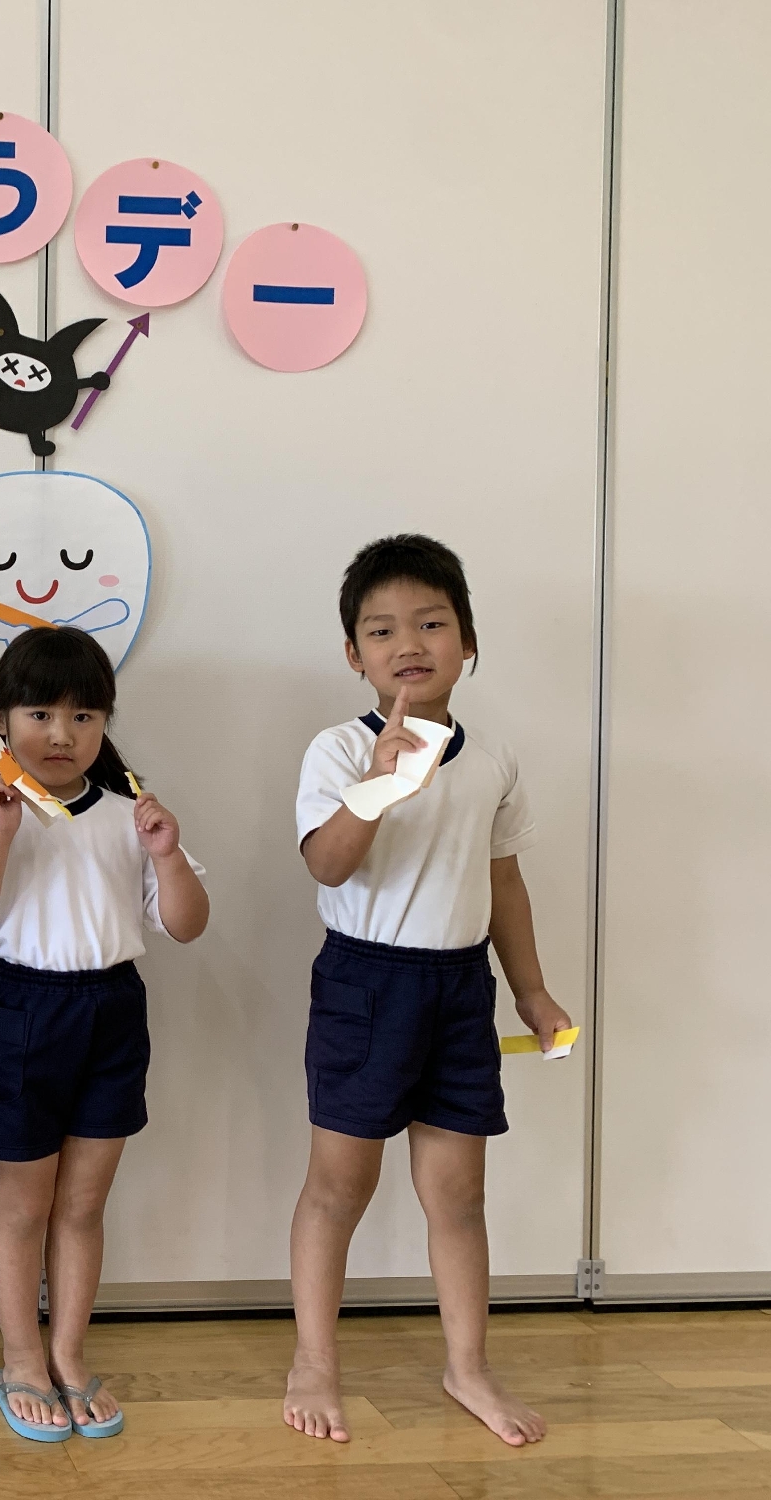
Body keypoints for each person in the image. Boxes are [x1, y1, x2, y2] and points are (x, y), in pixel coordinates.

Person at [283, 534, 571, 1448]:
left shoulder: (493, 760)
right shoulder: (339, 749)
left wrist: (530, 991)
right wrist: (375, 787)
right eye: (381, 630)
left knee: (458, 1195)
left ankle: (467, 1366)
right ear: (354, 654)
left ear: (468, 641)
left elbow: (504, 881)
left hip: (458, 987)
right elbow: (326, 864)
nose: (408, 643)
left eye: (432, 624)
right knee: (339, 1187)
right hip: (364, 983)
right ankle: (314, 1362)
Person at [0, 627, 208, 1443]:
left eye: (84, 716)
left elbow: (187, 924)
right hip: (16, 1008)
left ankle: (69, 1354)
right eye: (40, 713)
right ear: (1, 718)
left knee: (83, 1205)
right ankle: (21, 1357)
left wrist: (167, 855)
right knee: (21, 1205)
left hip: (112, 1009)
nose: (62, 733)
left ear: (106, 722)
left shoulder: (130, 816)